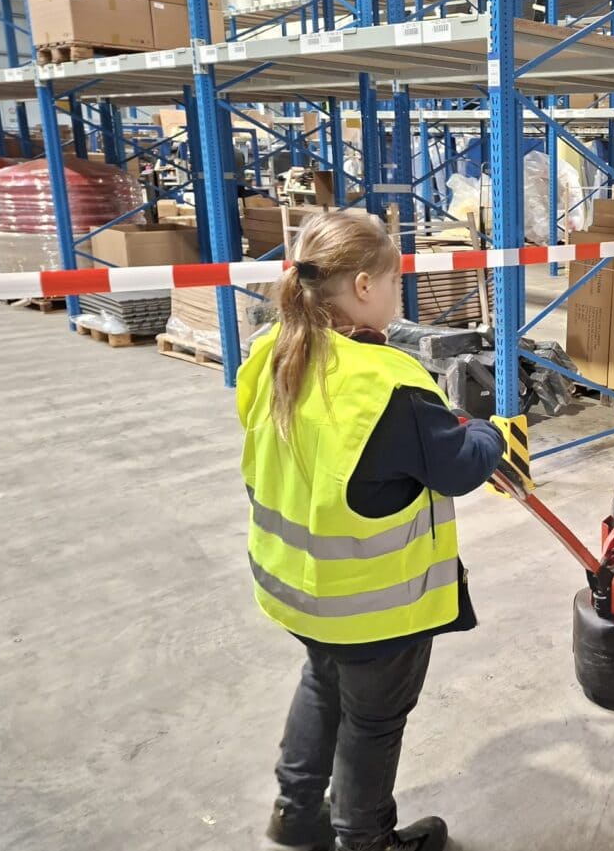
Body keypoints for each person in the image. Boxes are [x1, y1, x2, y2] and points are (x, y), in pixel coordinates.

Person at [237, 210, 505, 851]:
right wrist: (488, 431)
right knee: (373, 722)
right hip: (373, 608)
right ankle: (365, 840)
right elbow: (460, 467)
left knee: (322, 683)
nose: (398, 295)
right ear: (362, 287)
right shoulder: (389, 386)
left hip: (297, 590)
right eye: (394, 282)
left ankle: (296, 812)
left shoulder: (273, 352)